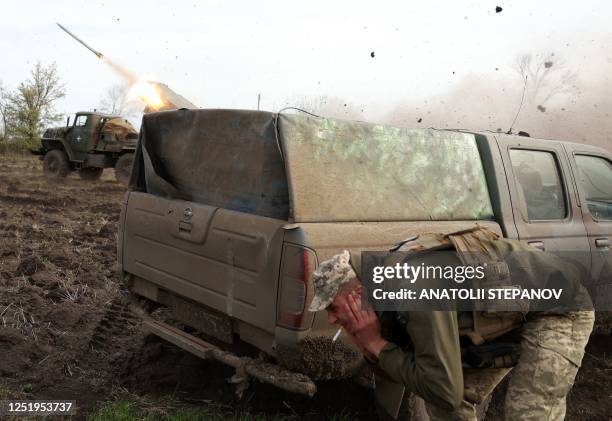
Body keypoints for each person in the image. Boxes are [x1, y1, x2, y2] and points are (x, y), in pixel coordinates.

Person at [308, 229, 595, 420]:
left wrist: (375, 344)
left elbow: (443, 388)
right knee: (449, 407)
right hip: (509, 316)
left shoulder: (414, 287)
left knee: (528, 413)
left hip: (558, 309)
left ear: (357, 293)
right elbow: (422, 383)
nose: (332, 319)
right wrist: (373, 345)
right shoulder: (383, 292)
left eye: (333, 307)